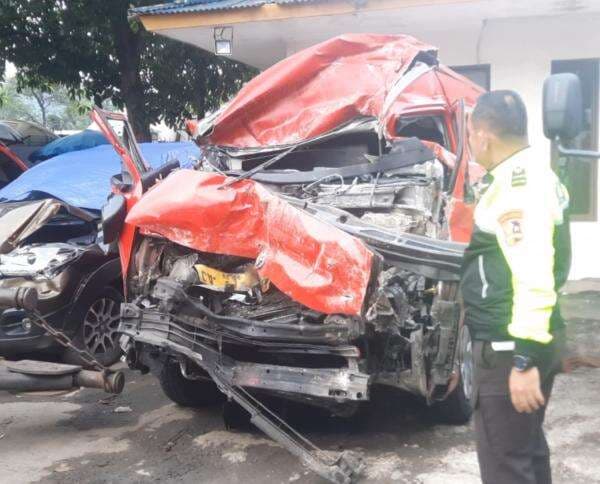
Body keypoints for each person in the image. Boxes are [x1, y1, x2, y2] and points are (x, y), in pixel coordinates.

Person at [461, 90, 571, 484]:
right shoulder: (533, 175)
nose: (471, 145)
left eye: (471, 135)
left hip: (510, 345)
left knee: (506, 463)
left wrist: (522, 360)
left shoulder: (518, 189)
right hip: (530, 337)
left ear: (484, 135)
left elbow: (534, 273)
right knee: (526, 451)